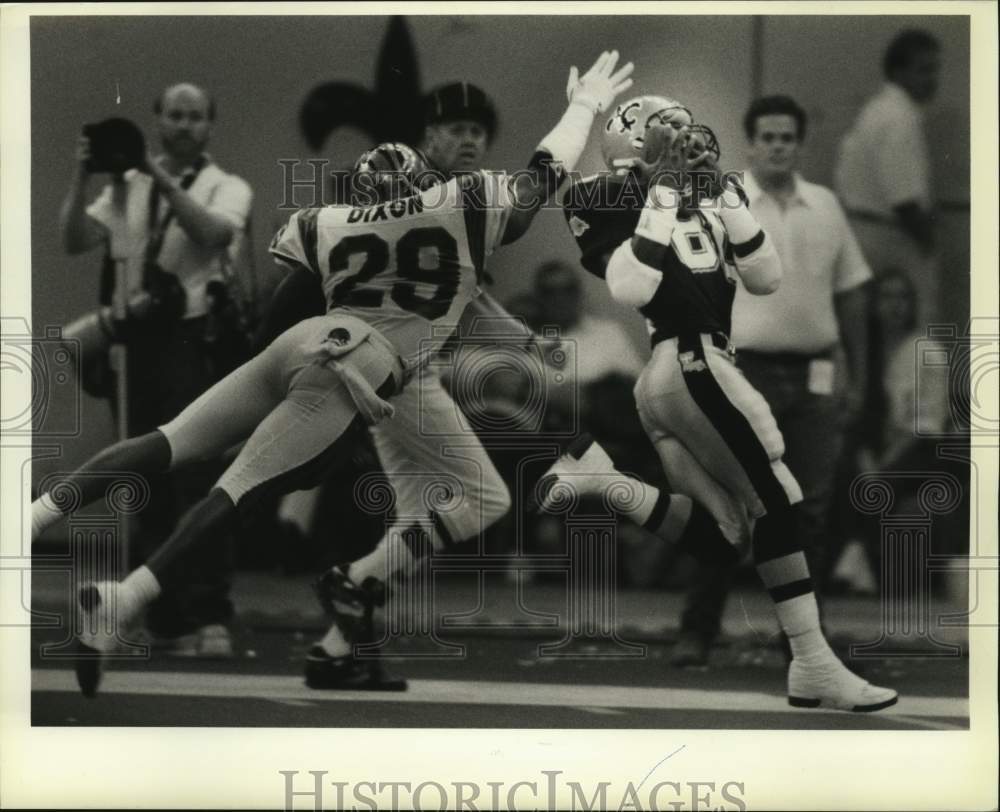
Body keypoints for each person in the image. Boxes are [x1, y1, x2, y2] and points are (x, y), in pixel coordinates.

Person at [32, 51, 639, 697]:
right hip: (367, 365)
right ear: (424, 175)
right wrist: (582, 107)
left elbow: (300, 298)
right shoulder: (464, 204)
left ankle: (338, 624)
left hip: (331, 350)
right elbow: (543, 173)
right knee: (243, 489)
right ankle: (129, 598)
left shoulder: (325, 221)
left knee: (172, 442)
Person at [300, 70, 736, 690]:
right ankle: (348, 583)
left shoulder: (380, 205)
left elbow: (462, 294)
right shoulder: (452, 199)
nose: (472, 141)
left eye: (479, 130)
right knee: (483, 501)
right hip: (397, 369)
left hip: (375, 366)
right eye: (458, 129)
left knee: (413, 518)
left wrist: (524, 344)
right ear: (429, 136)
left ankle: (338, 647)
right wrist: (583, 106)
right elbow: (539, 179)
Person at [563, 98, 897, 711]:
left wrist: (725, 197)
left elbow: (767, 276)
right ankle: (815, 662)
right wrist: (664, 190)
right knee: (778, 500)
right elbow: (631, 286)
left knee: (726, 535)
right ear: (636, 150)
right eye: (672, 141)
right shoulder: (603, 196)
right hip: (688, 363)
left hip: (694, 371)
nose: (686, 148)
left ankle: (606, 484)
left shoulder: (704, 196)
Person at [670, 95, 873, 666]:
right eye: (769, 136)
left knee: (809, 510)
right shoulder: (721, 201)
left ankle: (804, 640)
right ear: (751, 142)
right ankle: (697, 629)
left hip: (815, 371)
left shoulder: (827, 206)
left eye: (788, 137)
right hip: (742, 369)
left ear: (799, 143)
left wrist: (854, 371)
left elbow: (853, 293)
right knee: (729, 503)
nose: (779, 145)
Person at [57, 83, 254, 656]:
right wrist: (84, 173)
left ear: (210, 125)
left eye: (195, 117)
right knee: (141, 484)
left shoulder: (226, 185)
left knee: (195, 479)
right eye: (175, 115)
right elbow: (72, 240)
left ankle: (210, 613)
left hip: (195, 340)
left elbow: (215, 235)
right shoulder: (127, 187)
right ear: (157, 120)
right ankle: (164, 619)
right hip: (139, 344)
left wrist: (156, 173)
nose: (185, 126)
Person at [834, 29, 941, 324]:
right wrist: (928, 241)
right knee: (915, 329)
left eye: (935, 69)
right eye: (924, 70)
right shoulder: (899, 118)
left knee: (873, 332)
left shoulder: (877, 110)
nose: (932, 79)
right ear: (898, 72)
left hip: (864, 233)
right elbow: (904, 200)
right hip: (892, 237)